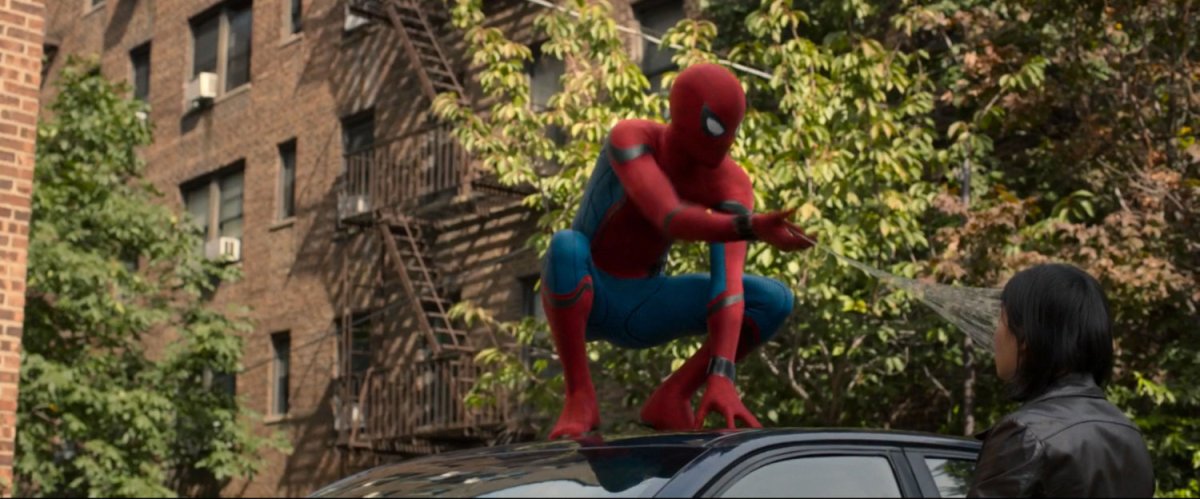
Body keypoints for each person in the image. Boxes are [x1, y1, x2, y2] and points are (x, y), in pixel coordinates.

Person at [540, 63, 816, 439]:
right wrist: (751, 227)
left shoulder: (731, 183)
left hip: (645, 304)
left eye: (732, 131)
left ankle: (674, 395)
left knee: (773, 299)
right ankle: (580, 394)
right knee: (565, 246)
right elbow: (668, 216)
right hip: (591, 293)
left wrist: (722, 374)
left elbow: (728, 286)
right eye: (717, 128)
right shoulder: (631, 138)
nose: (726, 142)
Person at [968, 263, 1154, 497]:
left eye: (1000, 321)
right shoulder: (1127, 433)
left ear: (1025, 336)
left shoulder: (1026, 434)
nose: (994, 335)